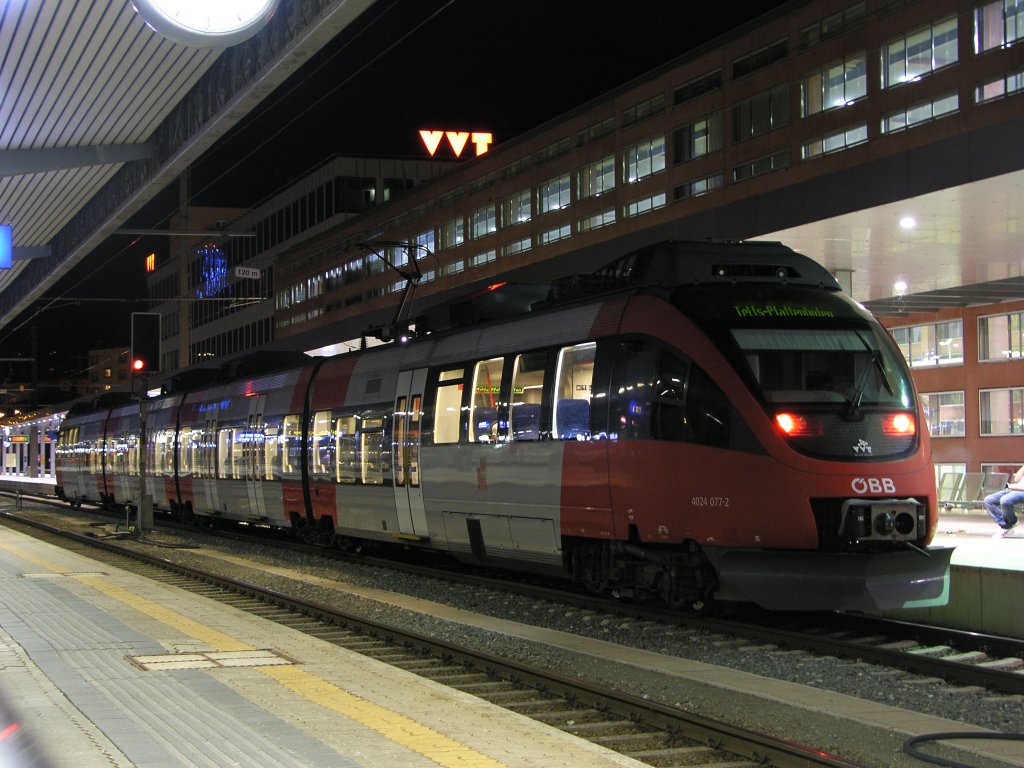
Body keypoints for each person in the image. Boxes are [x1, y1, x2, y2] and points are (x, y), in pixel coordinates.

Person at [983, 466, 1024, 538]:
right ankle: (1006, 525)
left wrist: (1018, 487)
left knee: (1005, 500)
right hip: (1014, 489)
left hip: (1021, 491)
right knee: (988, 500)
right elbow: (1017, 479)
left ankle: (1010, 523)